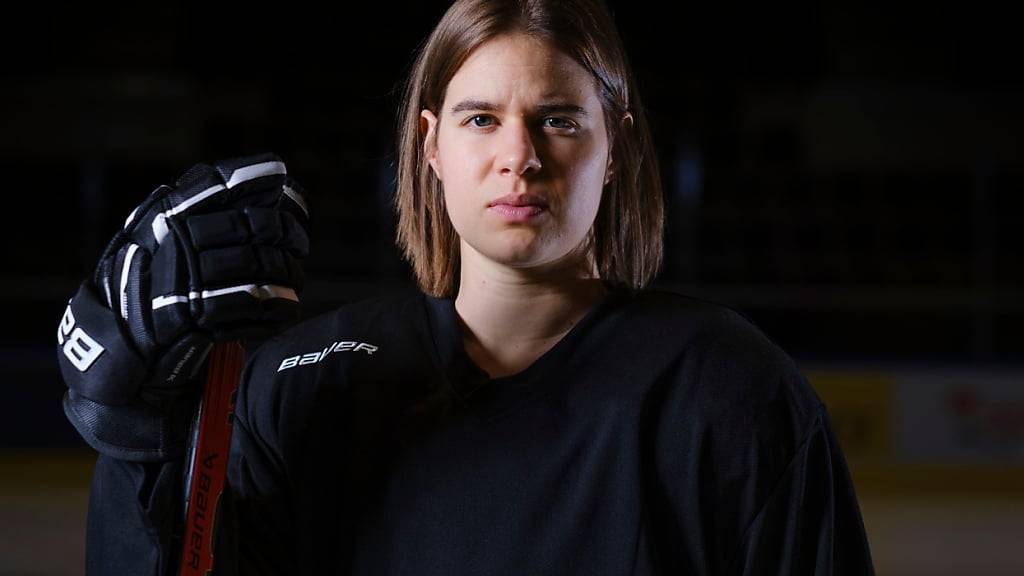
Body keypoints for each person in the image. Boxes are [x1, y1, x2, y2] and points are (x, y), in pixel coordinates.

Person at [60, 0, 876, 574]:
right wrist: (138, 453)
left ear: (617, 148)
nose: (518, 156)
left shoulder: (731, 389)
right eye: (480, 119)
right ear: (431, 146)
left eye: (558, 119)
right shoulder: (300, 386)